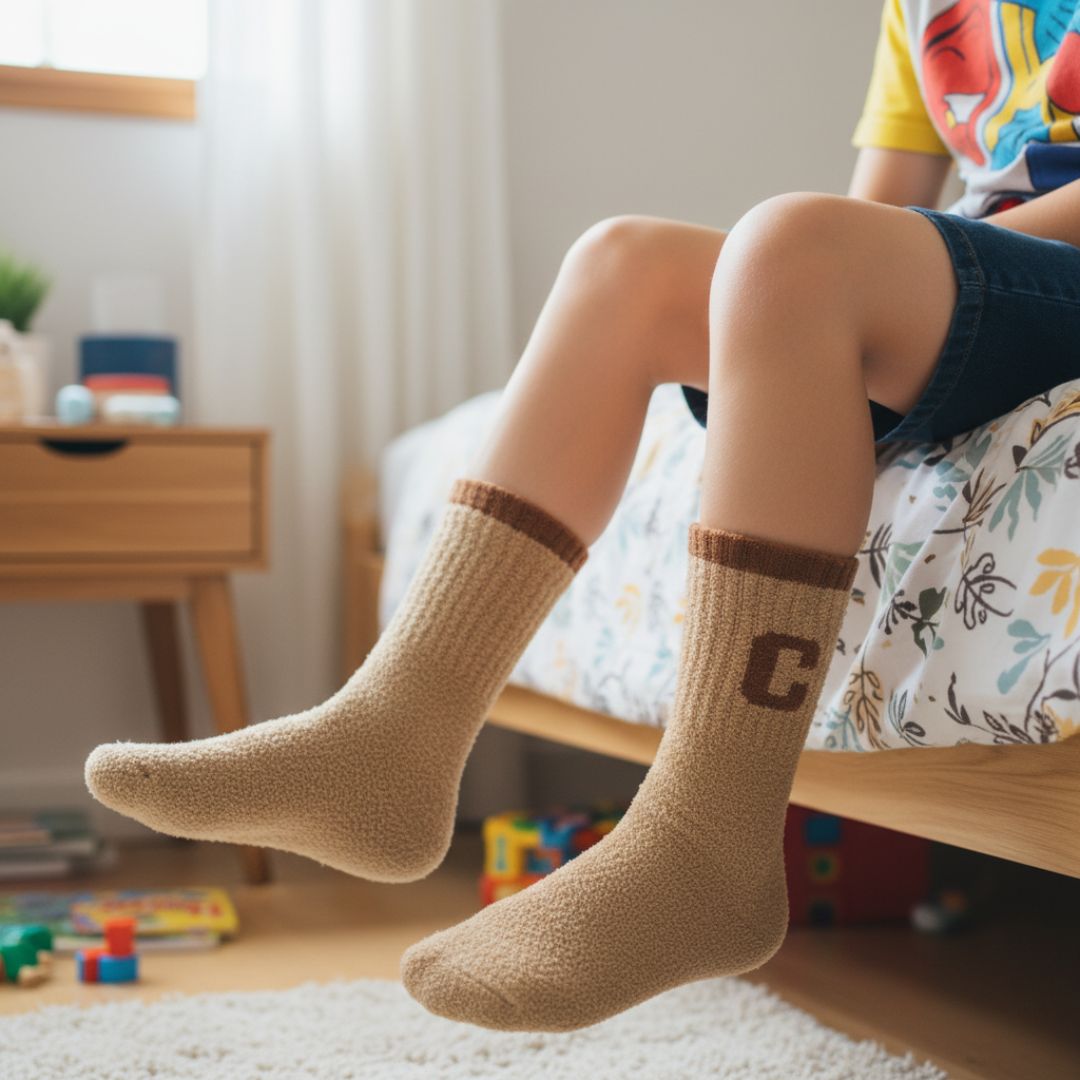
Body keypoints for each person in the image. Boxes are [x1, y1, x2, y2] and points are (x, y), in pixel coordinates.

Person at [86, 0, 1080, 1033]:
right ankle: (392, 739)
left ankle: (709, 842)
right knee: (625, 264)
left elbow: (880, 240)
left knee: (794, 246)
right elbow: (883, 207)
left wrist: (867, 265)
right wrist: (819, 294)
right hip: (981, 272)